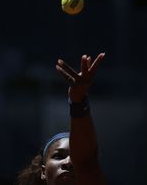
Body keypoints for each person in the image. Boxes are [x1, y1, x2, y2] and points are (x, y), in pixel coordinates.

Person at [17, 53, 106, 185]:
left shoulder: (88, 172)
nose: (69, 162)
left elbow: (85, 164)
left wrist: (78, 101)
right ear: (43, 171)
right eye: (58, 156)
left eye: (75, 158)